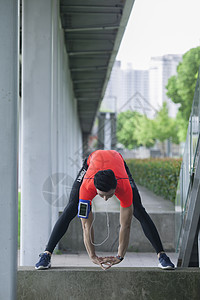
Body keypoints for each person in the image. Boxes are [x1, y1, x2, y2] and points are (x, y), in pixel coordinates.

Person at [35, 149, 175, 270]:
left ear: (116, 188)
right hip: (92, 161)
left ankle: (162, 256)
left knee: (139, 210)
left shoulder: (124, 187)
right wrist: (92, 256)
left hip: (117, 160)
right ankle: (46, 255)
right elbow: (86, 226)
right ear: (95, 189)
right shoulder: (86, 188)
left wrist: (120, 256)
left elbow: (125, 225)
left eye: (110, 195)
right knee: (71, 208)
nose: (106, 199)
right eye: (102, 195)